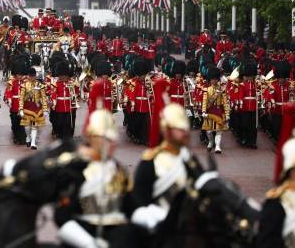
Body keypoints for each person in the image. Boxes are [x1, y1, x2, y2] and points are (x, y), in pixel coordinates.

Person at [55, 110, 137, 248]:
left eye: (113, 140)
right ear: (93, 139)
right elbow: (62, 216)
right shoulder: (75, 171)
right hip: (84, 233)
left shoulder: (119, 170)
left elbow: (130, 206)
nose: (112, 144)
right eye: (107, 139)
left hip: (116, 235)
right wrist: (87, 243)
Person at [130, 103, 200, 235]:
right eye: (179, 129)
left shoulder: (189, 159)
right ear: (167, 131)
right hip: (159, 225)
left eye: (186, 127)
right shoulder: (150, 162)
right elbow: (139, 204)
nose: (185, 132)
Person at [201, 66, 230, 154]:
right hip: (210, 112)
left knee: (219, 131)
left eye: (215, 79)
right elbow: (205, 102)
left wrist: (227, 114)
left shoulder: (222, 90)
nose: (214, 81)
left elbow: (225, 102)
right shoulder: (207, 90)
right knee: (209, 131)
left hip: (219, 111)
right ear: (210, 79)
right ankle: (211, 142)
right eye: (212, 79)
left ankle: (218, 146)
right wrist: (203, 111)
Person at [21, 66, 49, 149]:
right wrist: (21, 109)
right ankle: (28, 137)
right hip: (27, 107)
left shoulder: (40, 85)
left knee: (34, 126)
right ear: (28, 76)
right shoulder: (24, 85)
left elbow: (44, 98)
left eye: (33, 76)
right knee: (27, 127)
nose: (32, 77)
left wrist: (45, 110)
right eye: (30, 76)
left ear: (35, 76)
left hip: (37, 107)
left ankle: (33, 143)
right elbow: (21, 98)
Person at [50, 60, 78, 140]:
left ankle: (68, 136)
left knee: (69, 123)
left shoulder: (71, 83)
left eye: (65, 76)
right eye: (61, 76)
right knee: (60, 123)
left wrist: (76, 87)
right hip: (60, 106)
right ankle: (60, 135)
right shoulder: (56, 84)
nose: (63, 77)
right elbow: (54, 94)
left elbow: (75, 94)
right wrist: (54, 103)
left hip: (69, 106)